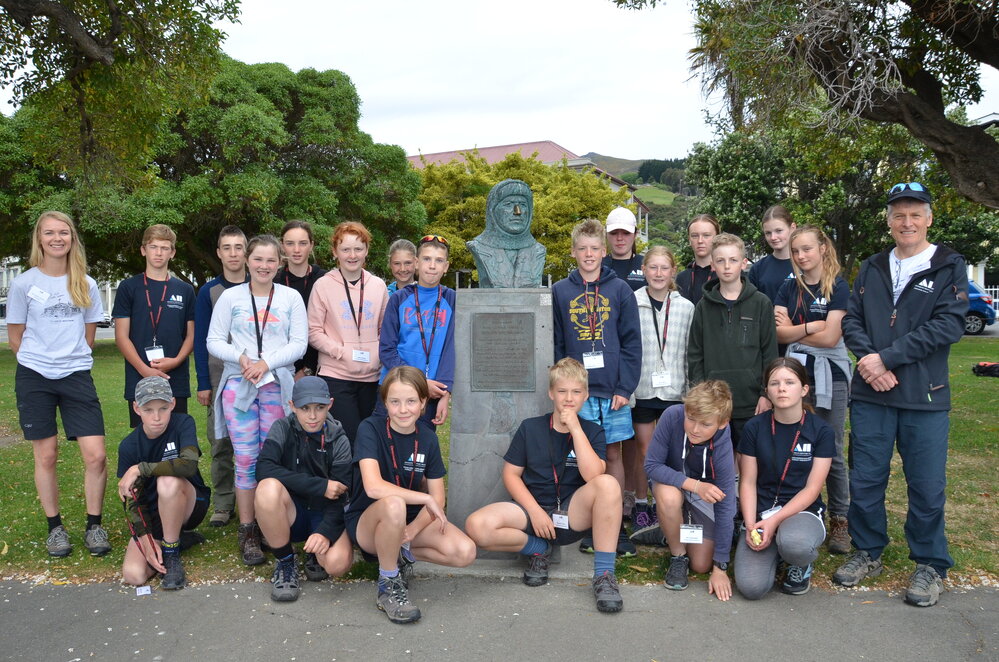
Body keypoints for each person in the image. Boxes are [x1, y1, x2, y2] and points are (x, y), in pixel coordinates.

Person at [833, 182, 968, 608]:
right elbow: (852, 321)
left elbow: (948, 325)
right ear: (889, 221)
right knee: (866, 480)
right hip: (873, 394)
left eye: (915, 214)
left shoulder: (948, 265)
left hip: (924, 397)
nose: (906, 222)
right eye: (898, 214)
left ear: (929, 218)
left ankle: (930, 563)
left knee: (926, 486)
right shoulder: (873, 266)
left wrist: (886, 359)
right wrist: (871, 361)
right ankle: (867, 551)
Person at [465, 358, 625, 613]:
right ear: (551, 393)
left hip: (572, 513)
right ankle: (539, 550)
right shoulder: (531, 427)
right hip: (532, 511)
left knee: (607, 484)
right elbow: (511, 475)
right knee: (477, 526)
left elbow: (594, 474)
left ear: (585, 395)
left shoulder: (592, 431)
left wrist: (575, 428)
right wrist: (536, 512)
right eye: (562, 391)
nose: (569, 399)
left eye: (576, 392)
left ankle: (604, 575)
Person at [8, 211, 110, 558]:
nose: (57, 238)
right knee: (47, 456)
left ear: (72, 239)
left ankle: (94, 526)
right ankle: (55, 529)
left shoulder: (87, 283)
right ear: (39, 239)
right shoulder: (23, 284)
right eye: (49, 233)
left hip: (76, 375)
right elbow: (16, 337)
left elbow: (90, 335)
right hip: (35, 377)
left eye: (63, 233)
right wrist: (42, 362)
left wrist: (69, 359)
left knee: (95, 456)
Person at [345, 367, 476, 624]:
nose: (403, 409)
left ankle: (399, 554)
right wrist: (425, 499)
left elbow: (439, 498)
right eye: (395, 402)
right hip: (368, 522)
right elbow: (373, 487)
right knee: (394, 504)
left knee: (465, 551)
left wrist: (413, 530)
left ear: (423, 402)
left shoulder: (427, 438)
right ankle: (388, 584)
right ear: (385, 403)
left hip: (407, 520)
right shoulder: (370, 428)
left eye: (411, 401)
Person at [207, 234, 308, 565]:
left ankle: (271, 523)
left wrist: (268, 362)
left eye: (270, 260)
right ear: (247, 261)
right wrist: (242, 358)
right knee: (247, 459)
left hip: (278, 385)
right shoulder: (231, 297)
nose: (264, 266)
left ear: (279, 264)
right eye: (258, 259)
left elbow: (299, 344)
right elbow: (213, 340)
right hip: (240, 384)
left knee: (274, 456)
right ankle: (248, 529)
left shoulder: (291, 297)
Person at [552, 218, 642, 557]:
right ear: (574, 253)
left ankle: (614, 524)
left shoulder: (620, 290)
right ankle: (589, 523)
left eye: (594, 249)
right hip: (579, 392)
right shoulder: (561, 290)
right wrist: (564, 390)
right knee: (581, 455)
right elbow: (559, 341)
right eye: (582, 249)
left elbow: (633, 343)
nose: (589, 254)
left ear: (604, 252)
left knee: (614, 454)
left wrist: (625, 386)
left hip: (613, 391)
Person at [774, 225, 853, 555]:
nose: (801, 255)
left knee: (830, 448)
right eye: (796, 251)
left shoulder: (838, 287)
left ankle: (840, 520)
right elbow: (778, 335)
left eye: (807, 248)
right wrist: (809, 327)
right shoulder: (787, 287)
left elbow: (831, 338)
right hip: (794, 373)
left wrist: (794, 332)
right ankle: (799, 510)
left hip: (829, 375)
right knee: (794, 443)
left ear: (823, 248)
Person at [735, 358, 834, 599]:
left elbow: (812, 489)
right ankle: (776, 548)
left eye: (790, 382)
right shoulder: (754, 427)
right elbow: (747, 482)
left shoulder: (821, 431)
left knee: (796, 545)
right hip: (761, 512)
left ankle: (798, 562)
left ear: (804, 389)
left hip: (802, 511)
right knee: (751, 588)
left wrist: (775, 521)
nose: (781, 388)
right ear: (767, 390)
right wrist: (751, 524)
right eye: (774, 383)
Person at [254, 377, 354, 602]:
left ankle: (314, 551)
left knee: (338, 565)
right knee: (266, 488)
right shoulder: (282, 427)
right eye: (304, 408)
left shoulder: (339, 438)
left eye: (319, 408)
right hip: (293, 514)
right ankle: (285, 561)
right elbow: (263, 469)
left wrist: (325, 532)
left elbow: (341, 495)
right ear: (291, 406)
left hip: (325, 513)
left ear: (330, 404)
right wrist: (320, 486)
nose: (312, 416)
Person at [642, 381, 735, 599]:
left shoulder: (723, 441)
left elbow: (727, 503)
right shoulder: (672, 416)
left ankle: (666, 529)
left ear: (722, 423)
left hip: (702, 494)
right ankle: (677, 555)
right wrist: (694, 485)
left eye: (705, 424)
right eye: (690, 418)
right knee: (669, 496)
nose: (694, 429)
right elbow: (652, 465)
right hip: (673, 484)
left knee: (702, 565)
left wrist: (720, 567)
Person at [117, 376, 210, 590]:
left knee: (167, 480)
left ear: (173, 404)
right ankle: (176, 541)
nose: (157, 417)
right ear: (136, 408)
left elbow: (188, 465)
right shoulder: (128, 447)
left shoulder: (183, 423)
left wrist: (141, 468)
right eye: (148, 410)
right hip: (154, 513)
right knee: (134, 575)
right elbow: (132, 501)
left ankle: (172, 553)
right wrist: (145, 537)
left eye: (163, 408)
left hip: (190, 502)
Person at [627, 246, 694, 542]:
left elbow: (691, 352)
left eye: (663, 268)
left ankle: (671, 503)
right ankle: (642, 503)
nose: (657, 273)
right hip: (642, 387)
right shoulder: (632, 302)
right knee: (646, 450)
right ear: (644, 270)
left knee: (670, 453)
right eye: (652, 267)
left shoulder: (686, 307)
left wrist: (690, 390)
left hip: (674, 390)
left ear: (672, 272)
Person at [688, 233, 777, 450]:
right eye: (720, 261)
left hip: (751, 402)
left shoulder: (761, 303)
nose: (727, 266)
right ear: (712, 265)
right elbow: (695, 355)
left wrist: (766, 394)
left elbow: (770, 354)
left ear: (744, 264)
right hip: (714, 402)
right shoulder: (703, 306)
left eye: (733, 260)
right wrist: (702, 394)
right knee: (716, 464)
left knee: (751, 461)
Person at [308, 222, 389, 445]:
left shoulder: (378, 285)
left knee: (371, 438)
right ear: (335, 252)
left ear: (366, 251)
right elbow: (313, 331)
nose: (352, 255)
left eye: (358, 249)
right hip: (337, 375)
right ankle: (346, 481)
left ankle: (367, 481)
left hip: (372, 376)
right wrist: (341, 352)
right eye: (345, 249)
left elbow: (386, 330)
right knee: (348, 438)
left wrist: (377, 354)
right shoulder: (323, 285)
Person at [113, 224, 195, 428]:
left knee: (174, 442)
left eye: (165, 248)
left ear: (172, 252)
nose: (159, 253)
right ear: (143, 250)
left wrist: (175, 361)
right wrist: (144, 369)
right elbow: (121, 336)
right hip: (139, 378)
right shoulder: (128, 287)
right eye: (153, 247)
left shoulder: (185, 290)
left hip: (174, 378)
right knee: (145, 440)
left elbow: (191, 335)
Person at [193, 225, 248, 528]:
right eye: (226, 248)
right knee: (221, 443)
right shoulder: (209, 292)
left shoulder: (261, 284)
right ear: (219, 253)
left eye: (238, 247)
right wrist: (204, 383)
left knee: (256, 444)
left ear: (246, 251)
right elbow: (202, 340)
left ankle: (255, 500)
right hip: (220, 379)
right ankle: (224, 502)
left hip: (256, 378)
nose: (233, 254)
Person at [378, 235, 455, 428]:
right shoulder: (398, 299)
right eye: (427, 259)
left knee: (418, 451)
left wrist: (445, 393)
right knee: (384, 447)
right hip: (395, 387)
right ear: (417, 263)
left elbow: (451, 349)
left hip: (430, 393)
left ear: (446, 267)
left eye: (439, 261)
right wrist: (419, 382)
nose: (432, 265)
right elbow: (387, 349)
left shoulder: (452, 300)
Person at [466, 178, 547, 288]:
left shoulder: (538, 250)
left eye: (523, 204)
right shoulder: (479, 247)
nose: (517, 211)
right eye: (509, 204)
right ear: (493, 210)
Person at [275, 220, 327, 379]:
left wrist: (307, 369)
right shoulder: (273, 282)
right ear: (282, 245)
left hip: (318, 368)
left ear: (311, 245)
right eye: (290, 243)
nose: (296, 250)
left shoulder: (325, 280)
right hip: (280, 367)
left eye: (303, 243)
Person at [748, 205, 796, 303]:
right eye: (768, 233)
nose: (773, 237)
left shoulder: (806, 263)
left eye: (778, 231)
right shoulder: (758, 269)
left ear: (792, 228)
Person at [675, 214, 719, 305]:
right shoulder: (681, 278)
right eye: (695, 236)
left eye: (706, 235)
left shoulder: (725, 275)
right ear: (689, 240)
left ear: (717, 238)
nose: (700, 241)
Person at [603, 206, 646, 291]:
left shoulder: (648, 265)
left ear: (635, 235)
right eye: (614, 233)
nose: (619, 238)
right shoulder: (596, 266)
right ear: (606, 234)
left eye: (626, 233)